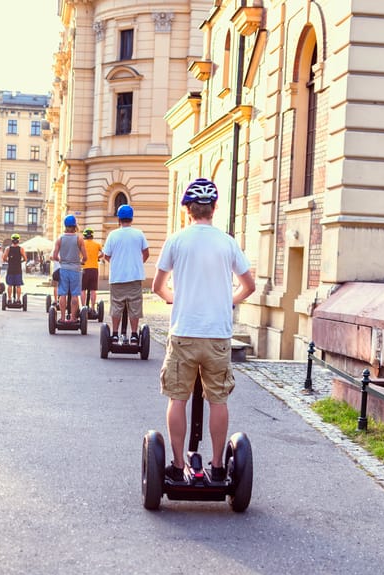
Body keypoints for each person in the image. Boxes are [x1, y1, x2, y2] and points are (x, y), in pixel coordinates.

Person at [151, 178, 256, 483]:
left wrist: (176, 300)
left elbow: (159, 287)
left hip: (185, 332)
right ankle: (219, 465)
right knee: (218, 400)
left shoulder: (176, 240)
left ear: (187, 210)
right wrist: (228, 301)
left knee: (177, 398)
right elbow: (248, 285)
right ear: (214, 209)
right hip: (218, 336)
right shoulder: (227, 242)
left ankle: (177, 463)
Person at [101, 204, 149, 344]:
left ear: (119, 219)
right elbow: (146, 253)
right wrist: (136, 263)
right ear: (131, 218)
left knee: (116, 305)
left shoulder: (113, 235)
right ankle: (134, 335)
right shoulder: (139, 234)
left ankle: (115, 334)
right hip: (135, 277)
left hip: (117, 277)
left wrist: (117, 262)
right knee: (135, 306)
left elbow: (106, 255)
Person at [51, 214, 87, 321]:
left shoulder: (60, 239)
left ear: (65, 225)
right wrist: (81, 261)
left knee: (62, 294)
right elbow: (85, 257)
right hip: (75, 269)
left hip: (64, 269)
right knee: (75, 294)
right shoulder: (79, 239)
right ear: (75, 226)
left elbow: (54, 256)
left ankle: (62, 318)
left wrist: (61, 260)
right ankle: (72, 318)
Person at [81, 228, 102, 311]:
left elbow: (79, 255)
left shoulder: (82, 244)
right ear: (92, 235)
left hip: (84, 269)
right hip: (94, 269)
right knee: (93, 290)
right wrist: (97, 257)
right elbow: (103, 253)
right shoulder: (97, 244)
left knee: (82, 289)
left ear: (84, 235)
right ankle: (93, 308)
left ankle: (83, 308)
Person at [5, 234, 27, 298]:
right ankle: (18, 300)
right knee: (18, 285)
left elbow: (3, 258)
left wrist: (9, 261)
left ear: (12, 240)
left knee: (9, 285)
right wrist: (20, 261)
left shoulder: (8, 249)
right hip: (18, 269)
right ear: (18, 240)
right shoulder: (21, 249)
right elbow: (25, 259)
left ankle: (9, 299)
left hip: (10, 269)